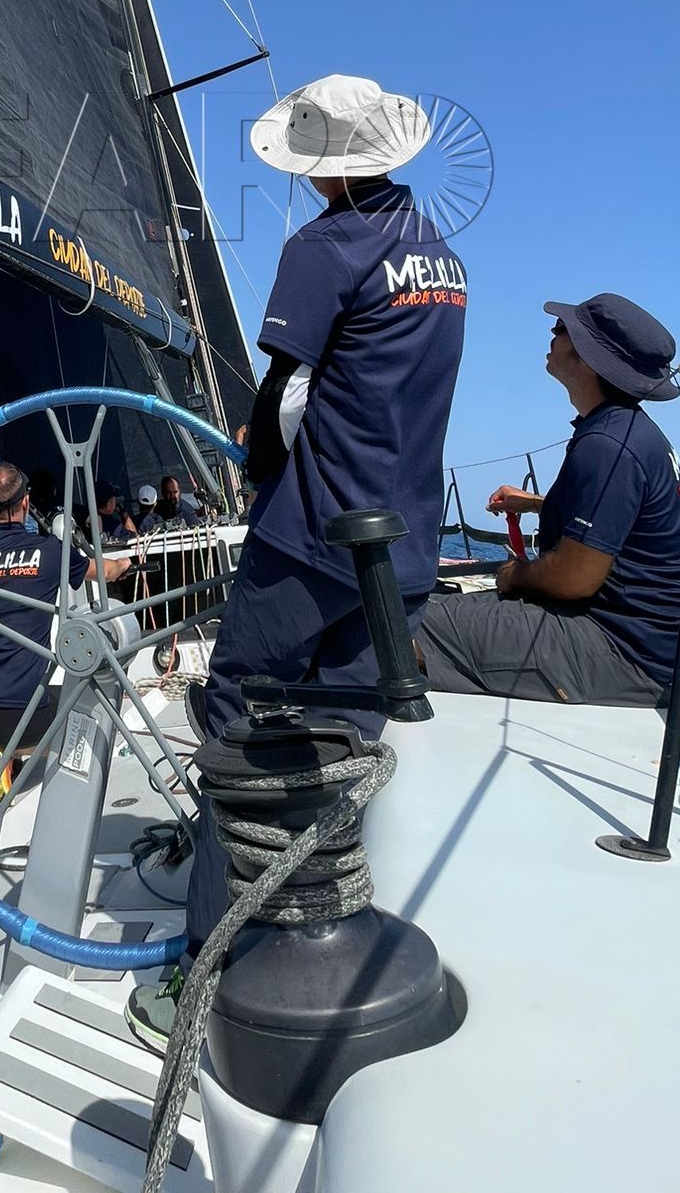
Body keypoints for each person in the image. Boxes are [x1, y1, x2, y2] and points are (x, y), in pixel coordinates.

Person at [128, 74, 467, 1054]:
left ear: (318, 164)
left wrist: (253, 470)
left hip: (311, 536)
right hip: (400, 551)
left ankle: (205, 961)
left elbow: (284, 391)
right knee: (337, 746)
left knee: (238, 726)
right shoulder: (442, 258)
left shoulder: (324, 246)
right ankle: (310, 939)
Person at [416, 295, 680, 703]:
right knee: (429, 606)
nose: (551, 336)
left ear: (589, 358)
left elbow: (573, 579)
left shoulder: (608, 445)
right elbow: (620, 519)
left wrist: (516, 574)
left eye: (561, 331)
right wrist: (536, 504)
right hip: (654, 647)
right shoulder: (628, 432)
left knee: (402, 625)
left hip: (624, 650)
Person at [0, 463, 132, 795]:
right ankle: (5, 752)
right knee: (77, 702)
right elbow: (105, 571)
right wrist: (126, 562)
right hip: (22, 724)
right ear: (25, 503)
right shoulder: (51, 552)